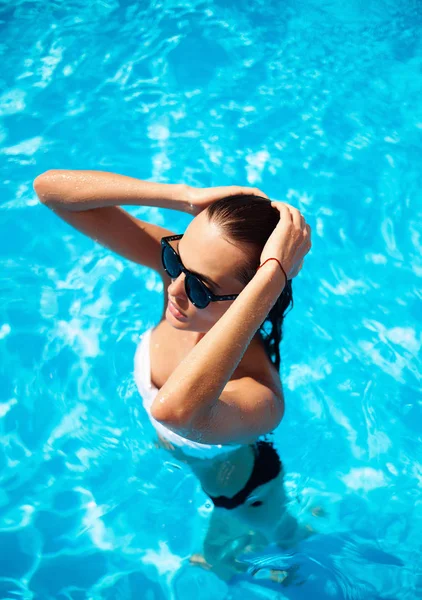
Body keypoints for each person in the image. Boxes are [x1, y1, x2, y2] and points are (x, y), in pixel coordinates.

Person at [34, 170, 312, 582]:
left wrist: (273, 276)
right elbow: (52, 191)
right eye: (174, 260)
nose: (175, 289)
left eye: (200, 288)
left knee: (263, 555)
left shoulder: (258, 393)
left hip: (242, 493)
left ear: (254, 298)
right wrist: (184, 197)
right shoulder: (185, 284)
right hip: (191, 459)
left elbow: (175, 411)